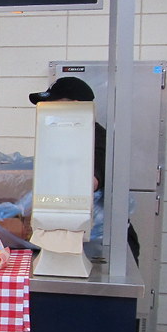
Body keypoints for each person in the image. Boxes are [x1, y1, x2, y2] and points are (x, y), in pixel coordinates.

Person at [29, 76, 140, 263]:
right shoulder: (65, 140)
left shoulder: (97, 140)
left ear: (76, 106)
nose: (47, 113)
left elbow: (86, 183)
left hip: (104, 245)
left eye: (53, 105)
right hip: (72, 241)